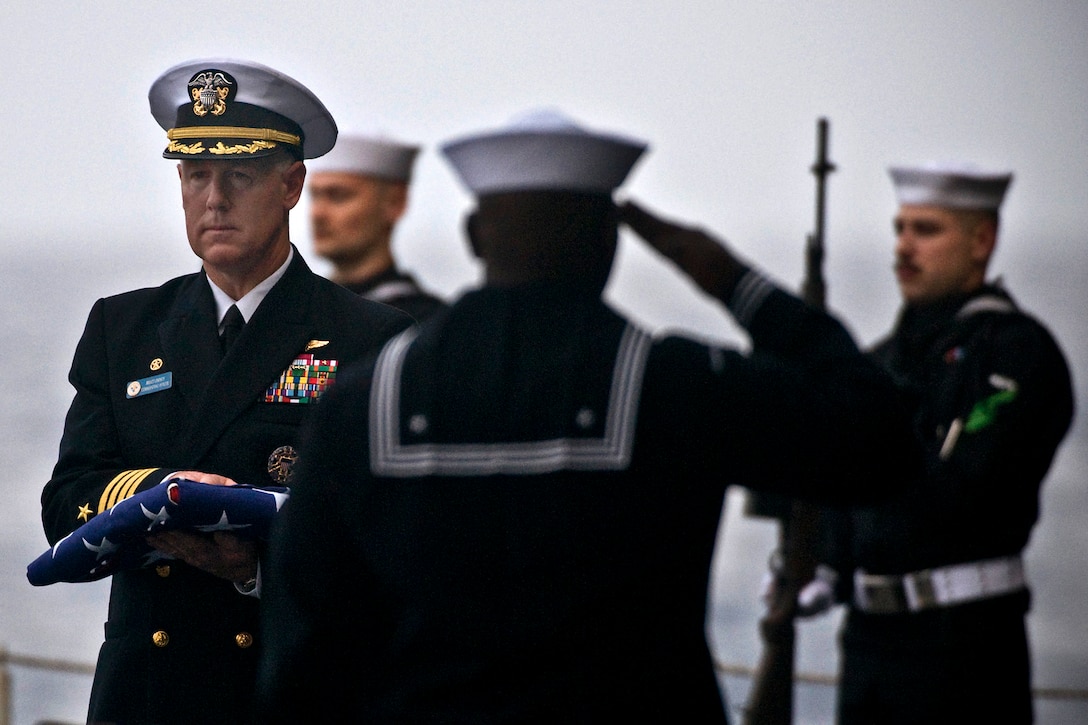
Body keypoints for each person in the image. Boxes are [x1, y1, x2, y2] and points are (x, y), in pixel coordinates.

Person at [253, 109, 916, 723]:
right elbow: (882, 442)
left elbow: (305, 646)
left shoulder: (361, 401)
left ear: (475, 235)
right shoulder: (677, 385)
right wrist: (733, 281)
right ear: (609, 241)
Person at [39, 58, 413, 724]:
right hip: (145, 695)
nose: (214, 199)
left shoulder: (371, 339)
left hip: (284, 691)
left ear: (292, 184)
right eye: (195, 174)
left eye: (239, 175)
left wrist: (255, 565)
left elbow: (395, 543)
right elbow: (66, 500)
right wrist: (163, 489)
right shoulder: (121, 328)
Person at [813, 163, 1075, 724]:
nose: (904, 247)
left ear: (982, 240)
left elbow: (958, 485)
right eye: (900, 229)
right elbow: (839, 474)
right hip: (867, 648)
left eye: (926, 230)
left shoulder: (1016, 356)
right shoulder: (879, 362)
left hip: (963, 648)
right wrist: (820, 556)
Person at [308, 131, 447, 322]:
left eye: (338, 196)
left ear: (395, 202)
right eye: (314, 196)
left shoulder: (421, 322)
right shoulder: (294, 310)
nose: (317, 214)